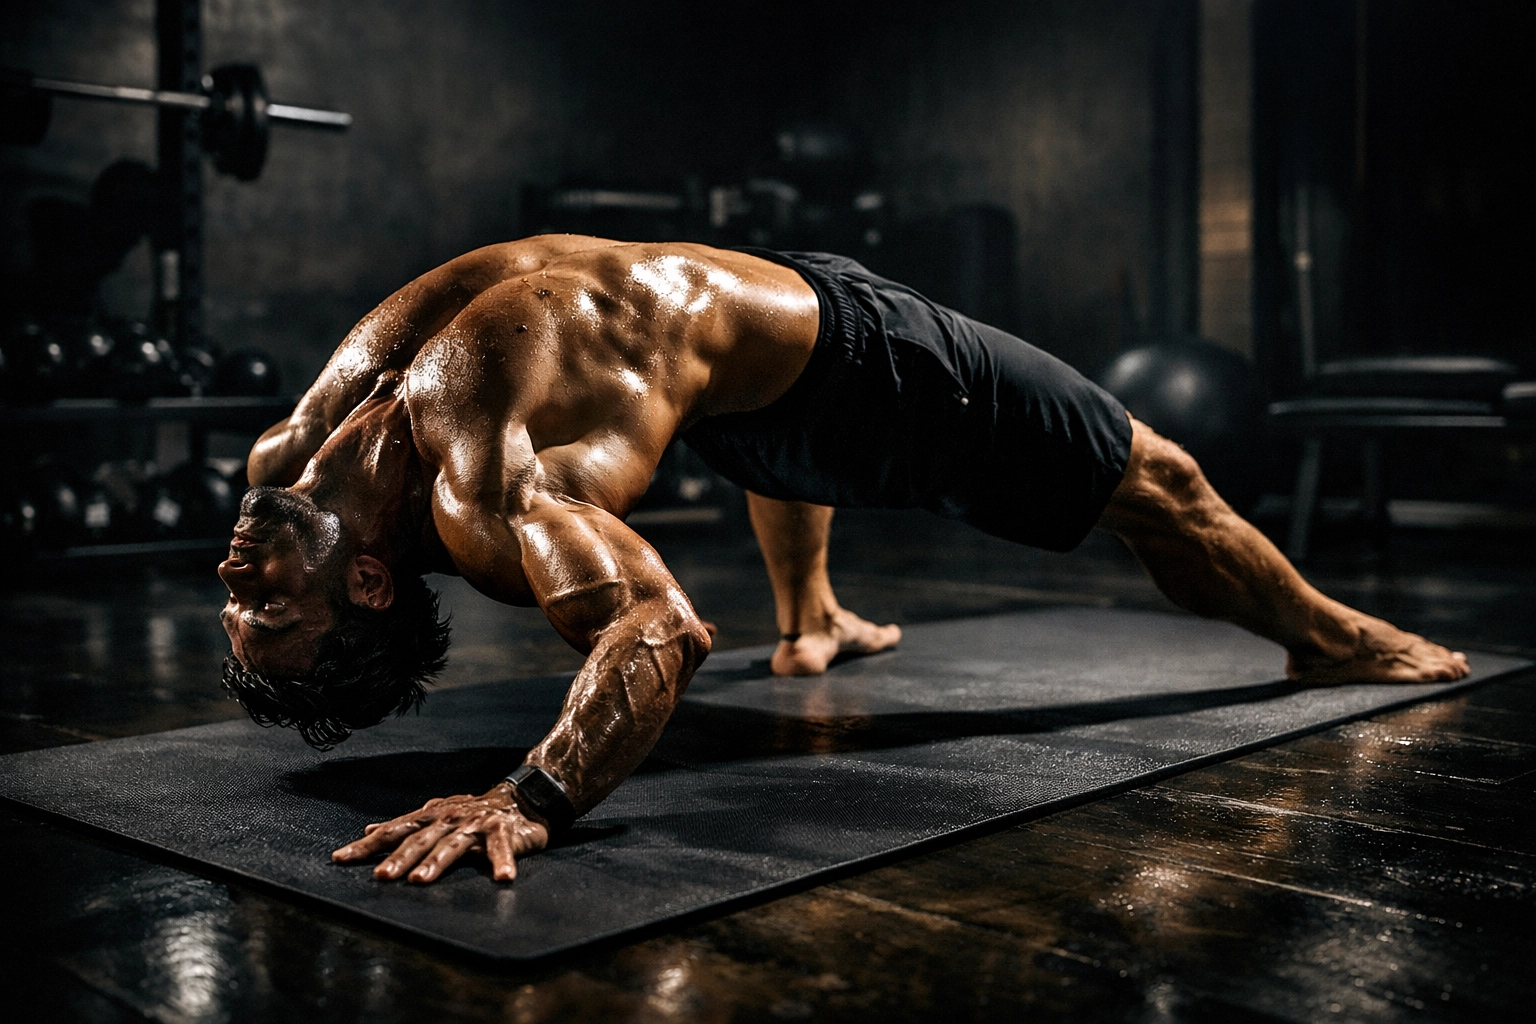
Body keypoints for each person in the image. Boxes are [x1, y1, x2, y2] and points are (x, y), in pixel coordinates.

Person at [218, 235, 1467, 886]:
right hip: (861, 365)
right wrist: (526, 797)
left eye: (239, 604)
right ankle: (1333, 636)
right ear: (368, 582)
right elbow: (658, 626)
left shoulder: (294, 451)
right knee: (1161, 484)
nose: (234, 580)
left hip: (754, 343)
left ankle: (812, 614)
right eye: (266, 609)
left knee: (743, 412)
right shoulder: (480, 494)